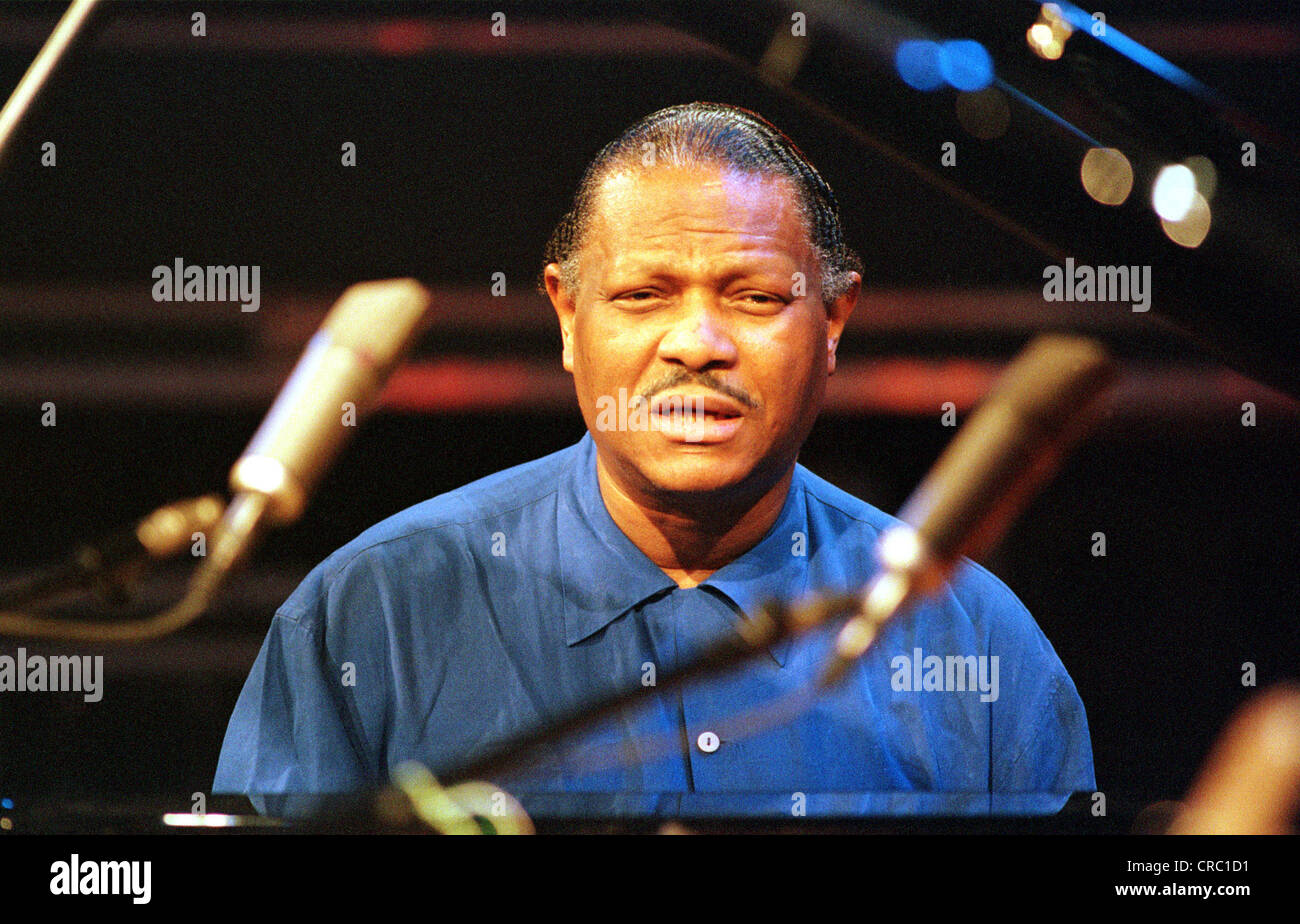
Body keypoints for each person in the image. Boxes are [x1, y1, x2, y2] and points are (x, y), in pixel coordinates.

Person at [213, 101, 1095, 819]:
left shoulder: (974, 640)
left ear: (832, 322)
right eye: (643, 295)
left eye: (752, 297)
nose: (698, 343)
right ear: (566, 316)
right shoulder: (372, 611)